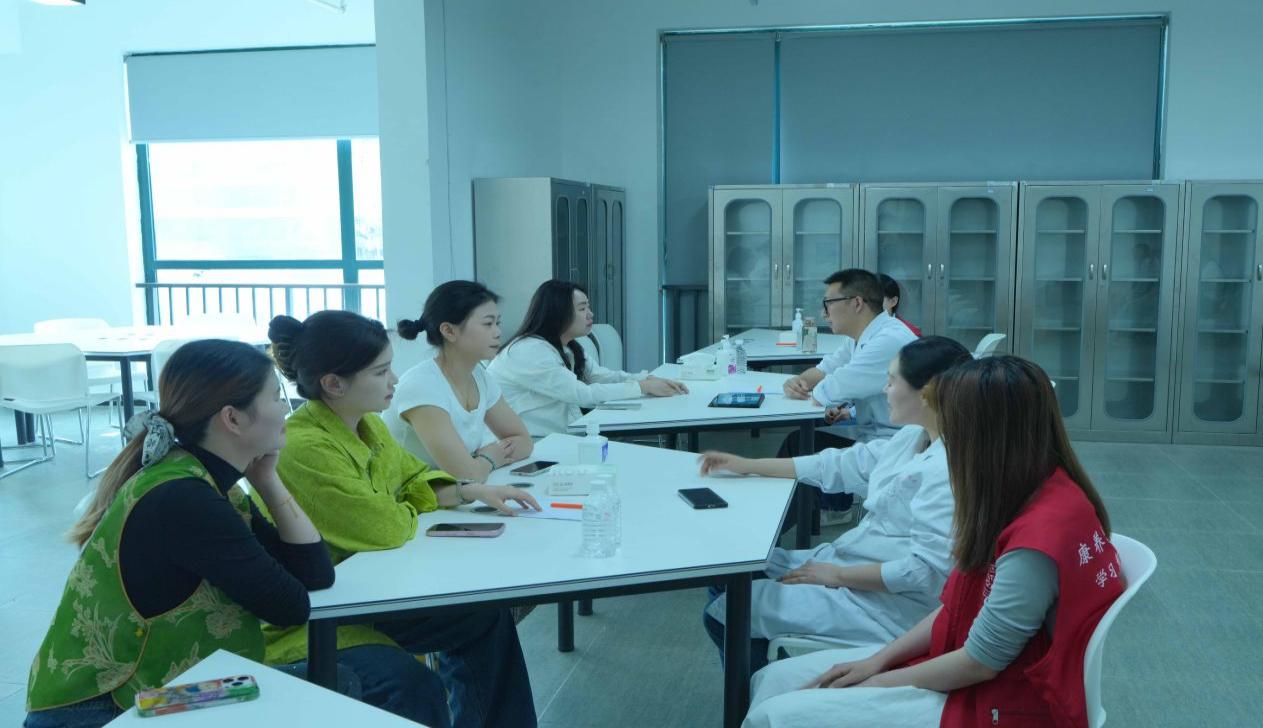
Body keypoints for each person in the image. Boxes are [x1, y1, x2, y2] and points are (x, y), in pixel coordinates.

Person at [743, 356, 1125, 728]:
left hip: (999, 697)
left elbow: (980, 662)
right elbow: (957, 607)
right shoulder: (1034, 489)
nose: (944, 440)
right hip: (964, 659)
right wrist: (877, 661)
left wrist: (875, 682)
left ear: (986, 435)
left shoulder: (1036, 540)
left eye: (953, 426)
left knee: (775, 715)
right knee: (772, 679)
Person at [25, 340, 334, 728]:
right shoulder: (186, 499)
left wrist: (267, 480)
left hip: (161, 690)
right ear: (233, 418)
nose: (287, 409)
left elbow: (314, 574)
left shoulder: (204, 478)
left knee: (346, 678)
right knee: (354, 681)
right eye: (276, 397)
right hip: (107, 709)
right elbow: (290, 608)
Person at [267, 310, 539, 728]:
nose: (394, 380)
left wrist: (469, 491)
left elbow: (414, 478)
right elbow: (385, 528)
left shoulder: (368, 426)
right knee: (415, 683)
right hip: (328, 606)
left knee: (483, 615)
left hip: (377, 583)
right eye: (381, 372)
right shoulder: (304, 447)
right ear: (334, 384)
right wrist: (406, 503)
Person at [697, 337, 971, 673]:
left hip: (890, 605)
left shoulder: (948, 469)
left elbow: (925, 573)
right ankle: (772, 664)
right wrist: (750, 464)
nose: (884, 389)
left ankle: (771, 692)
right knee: (732, 572)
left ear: (927, 393)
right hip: (858, 564)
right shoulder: (915, 436)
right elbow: (842, 464)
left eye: (892, 381)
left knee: (730, 612)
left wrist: (839, 575)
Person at [777, 269, 919, 520]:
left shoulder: (888, 340)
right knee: (798, 442)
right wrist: (797, 381)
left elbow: (830, 390)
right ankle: (792, 518)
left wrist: (814, 388)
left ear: (857, 303)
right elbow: (822, 371)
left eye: (828, 303)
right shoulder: (861, 337)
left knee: (800, 445)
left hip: (897, 444)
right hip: (874, 430)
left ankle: (777, 524)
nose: (824, 313)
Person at [488, 279, 688, 437]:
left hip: (554, 437)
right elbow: (581, 394)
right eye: (582, 309)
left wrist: (645, 379)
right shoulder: (529, 351)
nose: (590, 314)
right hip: (529, 443)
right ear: (558, 313)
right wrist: (642, 387)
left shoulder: (568, 346)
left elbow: (600, 376)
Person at [387, 280, 534, 479]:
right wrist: (489, 458)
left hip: (450, 492)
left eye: (497, 323)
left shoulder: (479, 375)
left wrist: (479, 464)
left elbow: (524, 442)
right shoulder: (422, 386)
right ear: (449, 331)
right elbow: (467, 475)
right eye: (488, 324)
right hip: (412, 496)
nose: (498, 332)